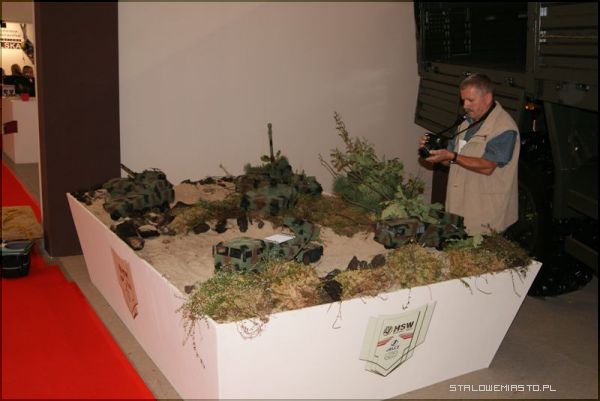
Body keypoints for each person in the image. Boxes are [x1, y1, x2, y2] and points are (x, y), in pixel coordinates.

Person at [419, 73, 519, 235]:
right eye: (463, 100)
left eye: (470, 100)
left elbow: (488, 166)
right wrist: (436, 155)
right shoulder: (465, 123)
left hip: (486, 220)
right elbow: (451, 159)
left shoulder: (504, 128)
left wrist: (452, 156)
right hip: (457, 212)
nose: (465, 105)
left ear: (487, 98)